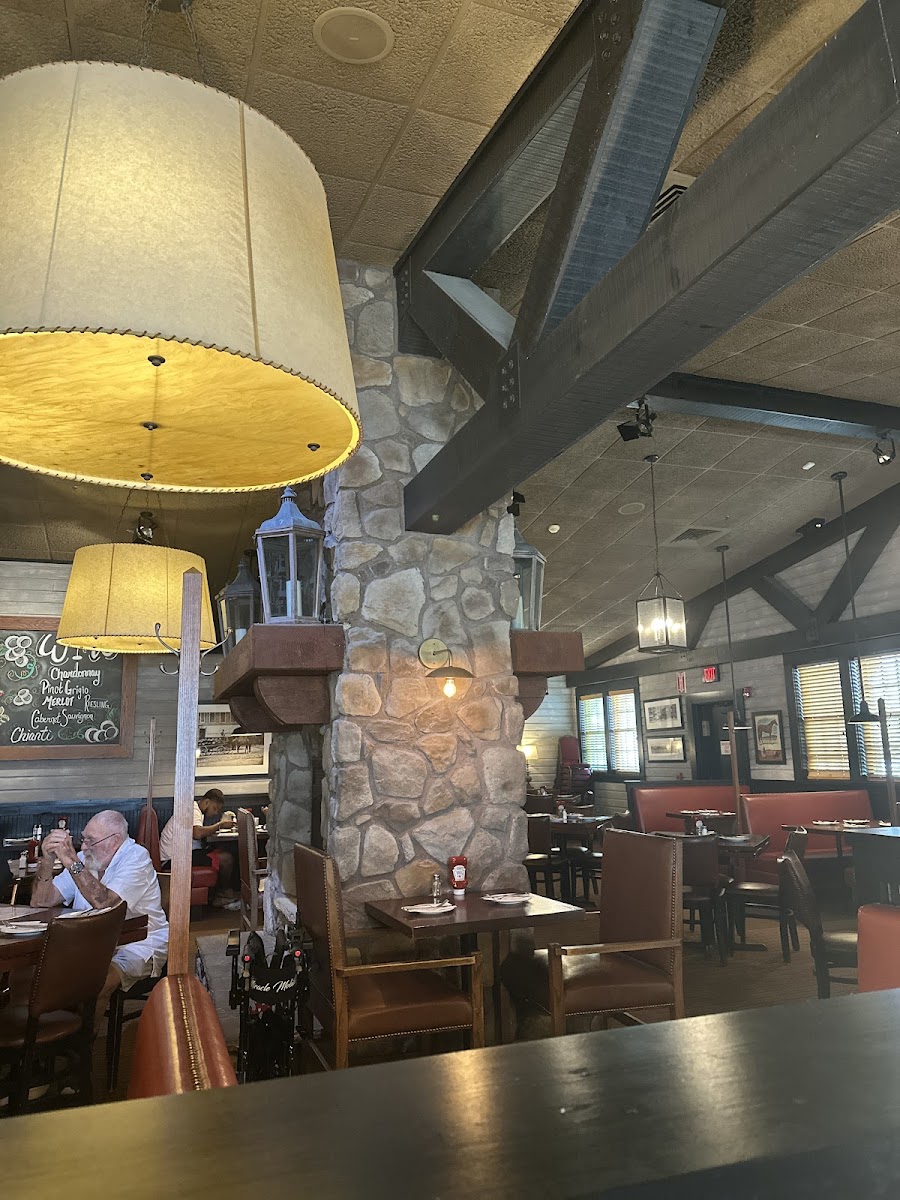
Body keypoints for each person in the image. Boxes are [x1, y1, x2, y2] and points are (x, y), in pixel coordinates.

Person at [31, 809, 169, 1015]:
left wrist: (71, 861)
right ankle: (53, 1030)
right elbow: (41, 902)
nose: (84, 847)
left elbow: (104, 903)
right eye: (83, 839)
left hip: (136, 945)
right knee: (31, 973)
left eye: (91, 840)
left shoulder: (136, 858)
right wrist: (47, 862)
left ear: (115, 841)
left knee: (97, 983)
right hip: (89, 944)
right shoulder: (85, 859)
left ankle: (86, 1035)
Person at [158, 787, 239, 909]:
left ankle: (220, 893)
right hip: (173, 859)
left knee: (220, 852)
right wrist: (220, 825)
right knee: (226, 858)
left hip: (178, 855)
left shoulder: (195, 810)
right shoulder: (193, 810)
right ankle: (223, 894)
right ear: (207, 802)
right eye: (214, 808)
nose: (215, 813)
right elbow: (197, 833)